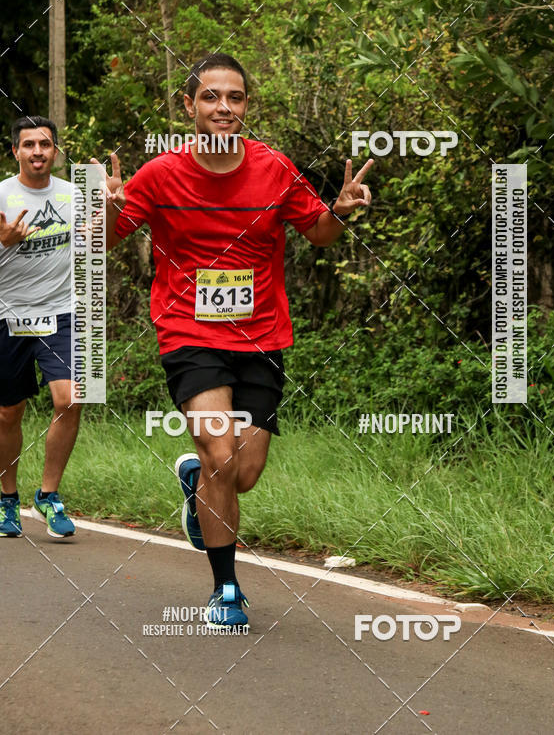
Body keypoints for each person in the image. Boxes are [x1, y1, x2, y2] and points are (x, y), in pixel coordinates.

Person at [99, 53, 373, 630]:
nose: (224, 107)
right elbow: (104, 242)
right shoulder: (159, 174)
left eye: (236, 98)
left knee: (243, 473)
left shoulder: (274, 169)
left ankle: (197, 481)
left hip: (262, 335)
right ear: (189, 106)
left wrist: (341, 213)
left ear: (247, 106)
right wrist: (106, 209)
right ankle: (226, 590)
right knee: (221, 455)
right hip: (188, 333)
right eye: (211, 97)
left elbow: (318, 233)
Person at [0, 116, 82, 538]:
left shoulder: (74, 195)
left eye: (45, 144)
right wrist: (3, 242)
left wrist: (114, 205)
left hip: (61, 314)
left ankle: (48, 496)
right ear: (15, 151)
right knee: (7, 412)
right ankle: (7, 499)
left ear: (55, 151)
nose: (37, 152)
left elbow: (101, 240)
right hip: (7, 314)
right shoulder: (0, 196)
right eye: (28, 144)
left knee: (69, 400)